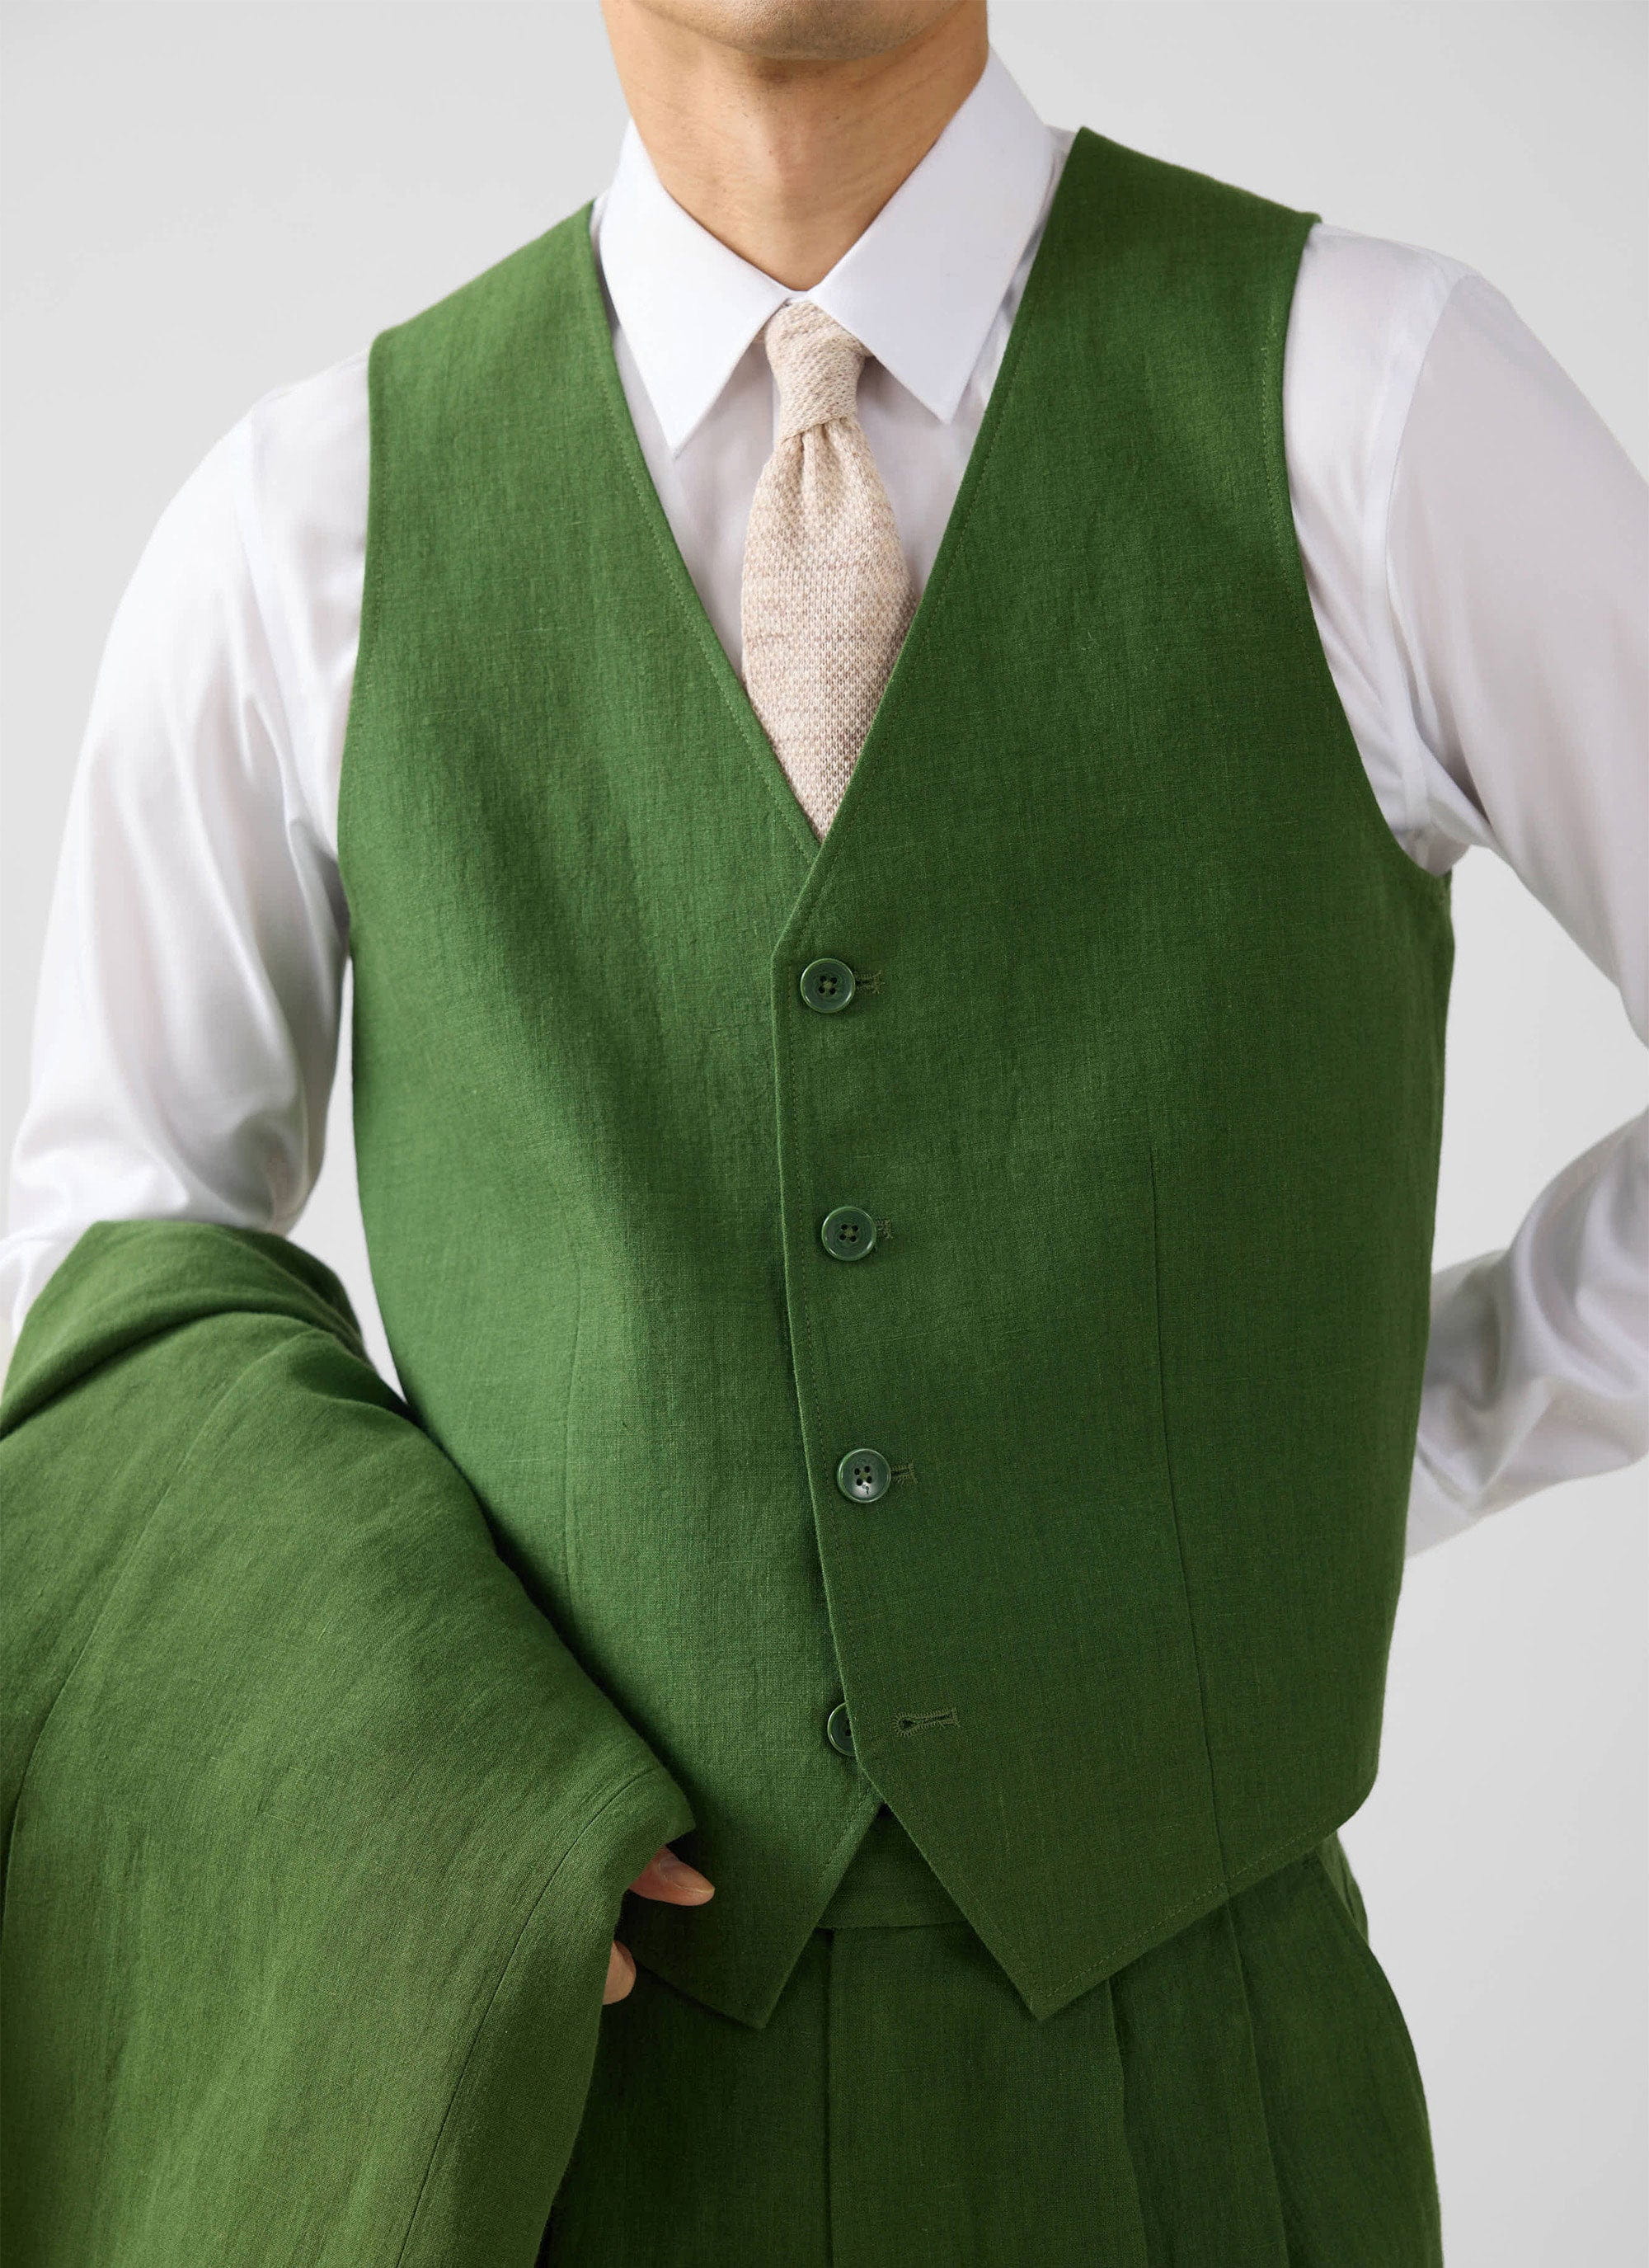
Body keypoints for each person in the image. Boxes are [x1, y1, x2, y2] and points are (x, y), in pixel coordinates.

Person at [2, 3, 1644, 2261]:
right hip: (564, 2126)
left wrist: (1413, 1428)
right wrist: (404, 1780)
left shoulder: (1368, 402)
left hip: (1209, 2130)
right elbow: (107, 1292)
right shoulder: (306, 531)